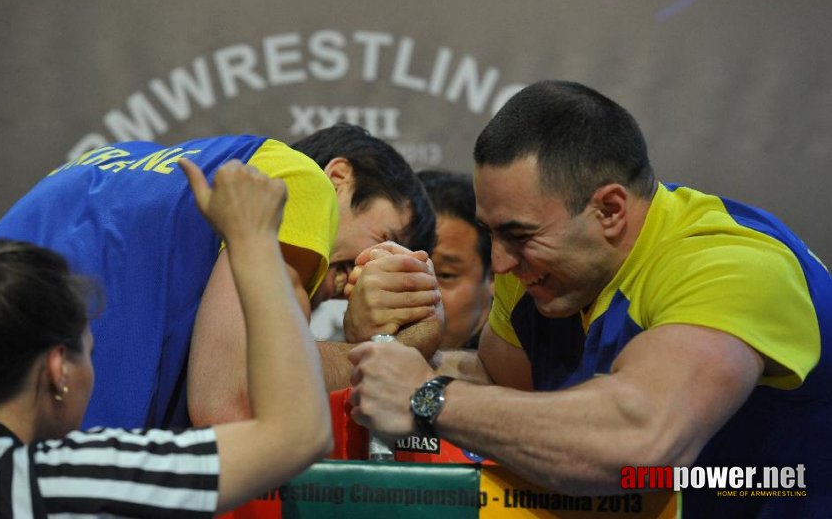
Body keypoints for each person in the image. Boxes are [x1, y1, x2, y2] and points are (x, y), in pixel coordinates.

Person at [347, 80, 832, 516]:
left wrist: (428, 395)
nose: (500, 264)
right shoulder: (534, 264)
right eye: (491, 233)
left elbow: (640, 439)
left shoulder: (731, 265)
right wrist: (395, 353)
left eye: (518, 234)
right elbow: (509, 389)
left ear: (610, 209)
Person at [0, 159, 332, 516]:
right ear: (58, 370)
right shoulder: (69, 478)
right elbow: (296, 434)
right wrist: (254, 239)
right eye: (90, 351)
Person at [0, 125, 439, 430]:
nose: (371, 265)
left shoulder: (107, 163)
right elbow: (233, 401)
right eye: (386, 237)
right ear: (339, 178)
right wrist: (388, 355)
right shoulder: (297, 182)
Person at [418, 170, 492, 350]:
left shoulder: (527, 371)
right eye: (406, 271)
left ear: (494, 277)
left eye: (445, 275)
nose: (421, 294)